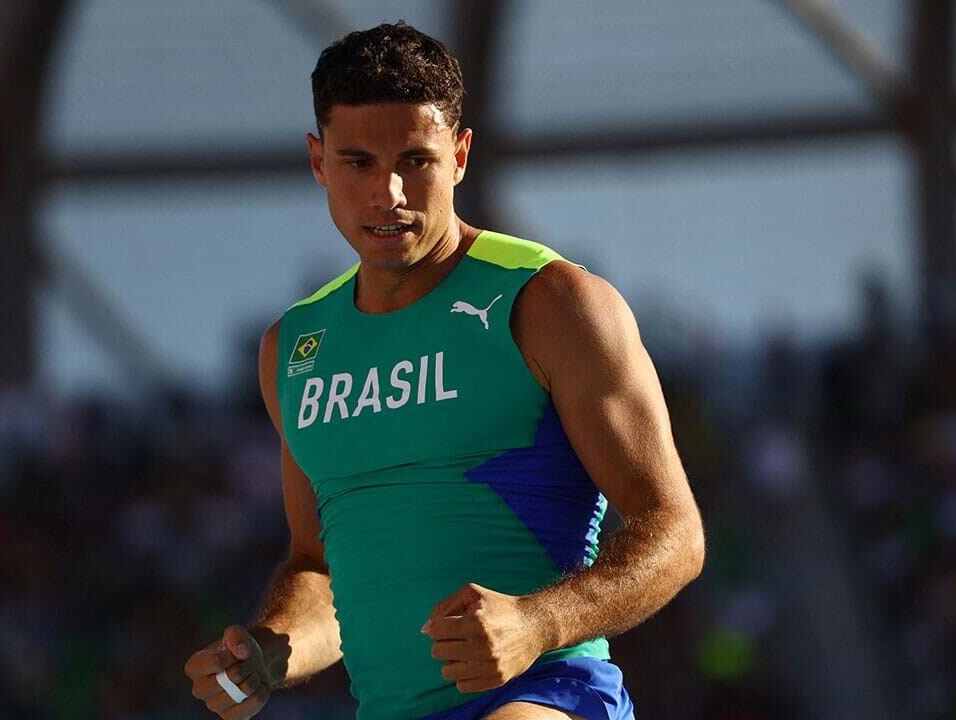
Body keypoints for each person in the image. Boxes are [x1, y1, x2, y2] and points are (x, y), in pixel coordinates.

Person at [184, 21, 704, 720]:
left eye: (415, 160)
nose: (389, 193)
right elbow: (321, 569)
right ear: (318, 161)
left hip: (545, 695)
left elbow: (674, 532)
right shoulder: (295, 347)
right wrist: (266, 655)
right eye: (358, 162)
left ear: (459, 155)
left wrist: (538, 623)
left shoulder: (551, 301)